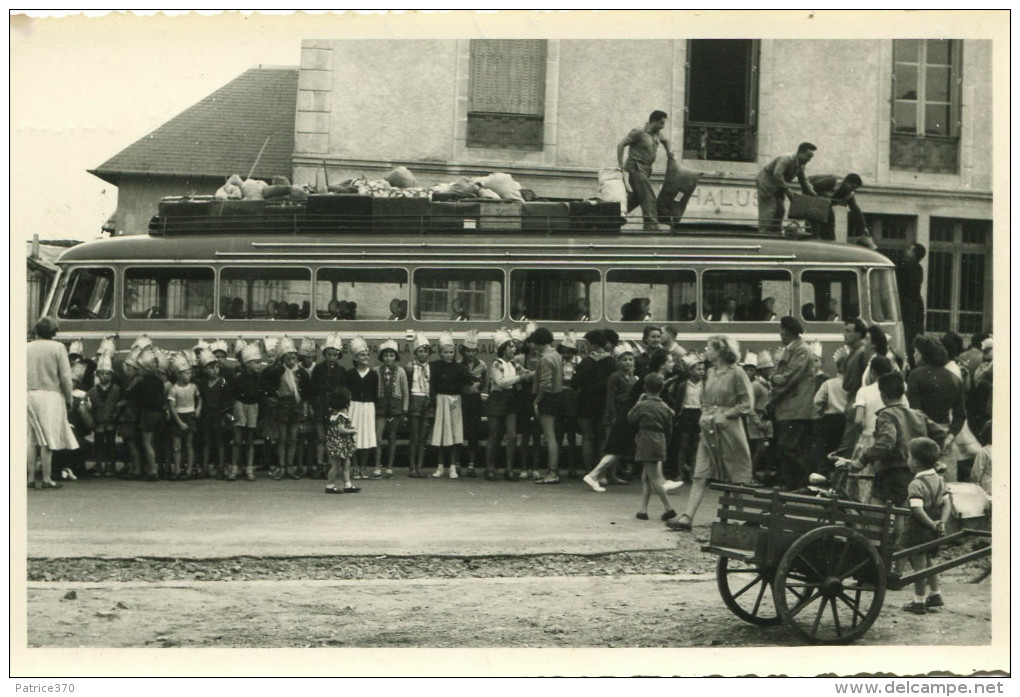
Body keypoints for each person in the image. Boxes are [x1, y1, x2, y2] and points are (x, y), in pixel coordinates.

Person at [667, 335, 754, 532]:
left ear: (721, 351)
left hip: (730, 429)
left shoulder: (737, 373)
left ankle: (738, 520)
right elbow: (705, 399)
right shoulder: (709, 372)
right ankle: (687, 518)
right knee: (700, 472)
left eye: (710, 348)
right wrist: (704, 415)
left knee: (734, 475)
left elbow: (747, 403)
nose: (707, 351)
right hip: (709, 427)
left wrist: (727, 414)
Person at [847, 372, 947, 509]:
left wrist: (861, 460)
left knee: (879, 514)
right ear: (903, 392)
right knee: (904, 514)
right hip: (915, 473)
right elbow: (940, 434)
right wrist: (933, 458)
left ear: (882, 395)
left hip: (890, 475)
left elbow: (886, 442)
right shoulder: (918, 415)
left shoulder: (887, 415)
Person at [898, 438, 952, 615]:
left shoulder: (916, 484)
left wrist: (930, 523)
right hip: (933, 528)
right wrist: (940, 523)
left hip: (919, 529)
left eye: (909, 457)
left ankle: (919, 601)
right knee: (930, 561)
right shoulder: (940, 479)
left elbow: (917, 509)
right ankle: (935, 594)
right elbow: (947, 504)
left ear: (915, 462)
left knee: (919, 566)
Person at [27, 316, 79, 489]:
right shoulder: (58, 347)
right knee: (48, 439)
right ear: (53, 332)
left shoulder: (27, 348)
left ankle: (31, 478)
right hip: (51, 395)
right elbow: (65, 376)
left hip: (29, 394)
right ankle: (47, 478)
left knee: (31, 438)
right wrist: (69, 398)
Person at [907, 335, 967, 481]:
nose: (914, 355)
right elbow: (961, 414)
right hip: (945, 438)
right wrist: (950, 436)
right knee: (945, 485)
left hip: (922, 436)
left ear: (923, 354)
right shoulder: (953, 377)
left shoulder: (916, 375)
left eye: (916, 351)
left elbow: (916, 413)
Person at [583, 343, 640, 492]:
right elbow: (610, 398)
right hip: (615, 414)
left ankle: (612, 474)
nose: (628, 362)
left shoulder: (633, 378)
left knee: (618, 447)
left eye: (631, 359)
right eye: (624, 359)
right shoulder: (615, 377)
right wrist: (612, 416)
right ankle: (601, 474)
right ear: (618, 361)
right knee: (609, 446)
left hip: (626, 415)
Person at [769, 316, 816, 491]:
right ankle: (792, 484)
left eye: (781, 330)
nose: (780, 333)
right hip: (789, 408)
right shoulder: (793, 350)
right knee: (787, 446)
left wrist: (773, 381)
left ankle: (804, 482)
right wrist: (776, 378)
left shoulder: (801, 350)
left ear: (787, 331)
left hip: (795, 408)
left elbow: (787, 378)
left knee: (786, 445)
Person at [629, 372, 678, 522]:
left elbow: (630, 418)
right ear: (662, 388)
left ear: (645, 388)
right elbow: (670, 428)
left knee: (653, 477)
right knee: (647, 476)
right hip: (660, 439)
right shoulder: (665, 407)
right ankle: (643, 509)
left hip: (646, 439)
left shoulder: (643, 405)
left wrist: (638, 402)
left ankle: (668, 508)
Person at [484, 329, 531, 481]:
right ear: (503, 349)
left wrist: (534, 373)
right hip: (497, 400)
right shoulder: (497, 364)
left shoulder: (514, 364)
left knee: (511, 436)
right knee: (495, 435)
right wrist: (519, 378)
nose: (514, 349)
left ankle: (509, 468)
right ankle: (490, 468)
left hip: (510, 401)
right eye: (510, 347)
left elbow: (527, 373)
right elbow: (500, 382)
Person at [618, 110, 676, 231]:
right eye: (661, 123)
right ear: (653, 121)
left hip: (646, 169)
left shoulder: (658, 134)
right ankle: (652, 226)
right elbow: (621, 145)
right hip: (635, 168)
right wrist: (620, 166)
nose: (663, 126)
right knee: (648, 196)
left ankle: (614, 216)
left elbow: (666, 141)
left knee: (637, 198)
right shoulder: (639, 132)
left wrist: (669, 151)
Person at [572, 329, 617, 483]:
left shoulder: (585, 362)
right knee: (603, 439)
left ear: (592, 344)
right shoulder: (611, 362)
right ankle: (602, 474)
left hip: (586, 403)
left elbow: (575, 383)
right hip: (604, 404)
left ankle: (588, 471)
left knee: (587, 438)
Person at [263, 338, 310, 481]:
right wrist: (272, 397)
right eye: (288, 358)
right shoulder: (277, 371)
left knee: (293, 438)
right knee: (282, 439)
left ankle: (290, 466)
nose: (291, 361)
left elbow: (307, 391)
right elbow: (267, 385)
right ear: (283, 359)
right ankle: (282, 467)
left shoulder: (302, 373)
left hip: (296, 406)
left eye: (293, 358)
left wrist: (305, 405)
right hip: (282, 405)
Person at [429, 331, 474, 479]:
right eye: (445, 352)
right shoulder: (434, 366)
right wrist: (433, 402)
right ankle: (440, 467)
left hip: (455, 401)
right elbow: (432, 385)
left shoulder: (460, 368)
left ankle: (453, 467)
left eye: (451, 352)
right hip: (441, 400)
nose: (448, 355)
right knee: (441, 435)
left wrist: (477, 383)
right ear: (440, 353)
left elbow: (472, 379)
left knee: (455, 435)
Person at [756, 142, 818, 234]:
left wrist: (813, 193)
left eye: (810, 158)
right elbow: (777, 174)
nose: (808, 160)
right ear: (800, 152)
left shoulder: (800, 165)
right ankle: (763, 233)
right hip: (767, 184)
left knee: (780, 210)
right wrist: (787, 189)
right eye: (807, 156)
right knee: (769, 209)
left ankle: (775, 232)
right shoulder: (786, 159)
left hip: (778, 186)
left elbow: (803, 181)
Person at [530, 326, 565, 485]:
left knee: (549, 435)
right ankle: (553, 470)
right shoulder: (556, 355)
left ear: (538, 343)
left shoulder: (545, 359)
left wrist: (536, 401)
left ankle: (552, 472)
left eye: (534, 342)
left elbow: (545, 385)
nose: (532, 346)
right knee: (553, 436)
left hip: (548, 399)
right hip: (557, 397)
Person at [228, 342, 265, 482]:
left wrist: (260, 415)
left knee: (250, 440)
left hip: (253, 408)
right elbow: (231, 395)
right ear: (248, 363)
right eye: (256, 363)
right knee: (237, 440)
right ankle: (234, 468)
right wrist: (230, 413)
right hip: (240, 407)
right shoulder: (238, 378)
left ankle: (249, 468)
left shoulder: (259, 379)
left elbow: (261, 397)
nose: (259, 365)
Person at [342, 337, 379, 481]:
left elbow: (375, 394)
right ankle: (355, 467)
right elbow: (346, 392)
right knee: (355, 438)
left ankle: (364, 467)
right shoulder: (350, 374)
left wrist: (372, 408)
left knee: (366, 438)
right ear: (356, 358)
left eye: (367, 355)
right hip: (354, 407)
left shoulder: (373, 374)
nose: (366, 357)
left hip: (368, 407)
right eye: (362, 355)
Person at [311, 334, 347, 479]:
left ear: (338, 355)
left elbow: (343, 391)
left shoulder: (341, 371)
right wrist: (314, 406)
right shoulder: (318, 369)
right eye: (329, 354)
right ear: (324, 354)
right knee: (320, 437)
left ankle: (332, 465)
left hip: (334, 408)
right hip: (320, 406)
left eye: (334, 355)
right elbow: (312, 389)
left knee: (333, 438)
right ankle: (320, 464)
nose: (331, 357)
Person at [374, 339, 408, 480]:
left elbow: (405, 392)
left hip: (395, 408)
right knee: (377, 437)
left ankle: (389, 467)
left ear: (395, 357)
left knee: (392, 438)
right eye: (386, 355)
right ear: (382, 357)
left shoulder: (401, 371)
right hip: (380, 408)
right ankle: (377, 466)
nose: (388, 358)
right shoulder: (376, 371)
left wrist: (404, 410)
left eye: (391, 355)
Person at [196, 349, 231, 479]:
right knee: (206, 442)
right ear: (205, 370)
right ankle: (205, 467)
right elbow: (201, 399)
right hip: (206, 416)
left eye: (216, 367)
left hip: (218, 415)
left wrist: (225, 416)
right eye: (211, 368)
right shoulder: (203, 383)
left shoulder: (222, 382)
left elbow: (226, 400)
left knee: (220, 442)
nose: (215, 370)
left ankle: (221, 467)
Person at [806, 173, 868, 242]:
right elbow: (811, 187)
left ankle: (830, 241)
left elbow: (856, 210)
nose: (852, 190)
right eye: (852, 186)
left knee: (830, 221)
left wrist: (863, 227)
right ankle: (815, 236)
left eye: (855, 189)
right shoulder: (832, 181)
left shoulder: (849, 194)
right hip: (812, 194)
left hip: (825, 203)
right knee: (823, 219)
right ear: (846, 182)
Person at [85, 352, 120, 478]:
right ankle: (99, 466)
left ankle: (111, 466)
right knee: (98, 444)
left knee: (111, 444)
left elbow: (118, 404)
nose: (104, 376)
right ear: (98, 375)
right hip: (98, 420)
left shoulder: (116, 389)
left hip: (111, 420)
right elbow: (88, 406)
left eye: (107, 374)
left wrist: (116, 415)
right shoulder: (92, 391)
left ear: (111, 375)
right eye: (102, 373)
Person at [167, 354, 201, 479]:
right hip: (178, 418)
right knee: (177, 447)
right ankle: (176, 469)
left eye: (189, 373)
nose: (189, 375)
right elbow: (172, 407)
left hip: (190, 416)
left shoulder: (193, 387)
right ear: (179, 375)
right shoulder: (174, 389)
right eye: (186, 373)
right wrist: (179, 422)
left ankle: (189, 469)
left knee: (189, 444)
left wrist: (198, 409)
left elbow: (199, 398)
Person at [405, 332, 434, 478]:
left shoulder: (432, 368)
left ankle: (420, 466)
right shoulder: (410, 367)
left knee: (423, 437)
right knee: (414, 436)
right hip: (415, 400)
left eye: (425, 351)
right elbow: (408, 385)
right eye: (420, 351)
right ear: (416, 353)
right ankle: (412, 466)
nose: (423, 354)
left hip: (427, 401)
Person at [323, 386, 360, 495]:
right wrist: (351, 431)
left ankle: (347, 484)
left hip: (339, 443)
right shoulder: (341, 416)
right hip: (339, 444)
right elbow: (341, 430)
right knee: (336, 465)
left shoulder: (335, 414)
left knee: (346, 464)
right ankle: (330, 485)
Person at [555, 332, 582, 478]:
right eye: (564, 351)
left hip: (573, 399)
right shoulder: (558, 361)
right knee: (558, 434)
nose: (567, 354)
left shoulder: (578, 361)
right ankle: (556, 466)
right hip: (560, 398)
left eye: (569, 352)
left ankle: (572, 466)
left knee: (571, 435)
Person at [896, 243, 927, 355]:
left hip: (907, 308)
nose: (906, 250)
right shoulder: (918, 268)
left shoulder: (908, 265)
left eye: (909, 248)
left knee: (906, 340)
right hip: (914, 308)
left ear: (914, 253)